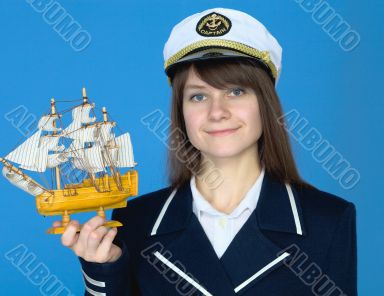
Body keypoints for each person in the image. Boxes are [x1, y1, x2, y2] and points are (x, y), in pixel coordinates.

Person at [56, 7, 357, 296]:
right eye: (198, 96)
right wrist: (105, 269)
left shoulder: (327, 220)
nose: (217, 112)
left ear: (265, 104)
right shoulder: (136, 221)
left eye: (236, 91)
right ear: (181, 112)